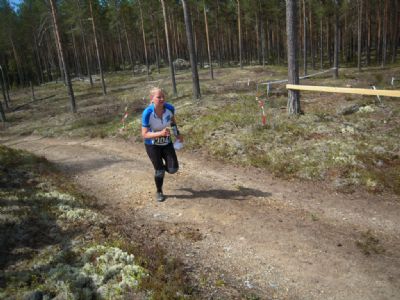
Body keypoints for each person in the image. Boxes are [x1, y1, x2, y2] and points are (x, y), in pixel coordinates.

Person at [141, 87, 183, 202]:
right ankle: (159, 191)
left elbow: (173, 122)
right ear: (152, 99)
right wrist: (160, 133)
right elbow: (144, 134)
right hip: (152, 145)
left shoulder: (170, 108)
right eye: (158, 97)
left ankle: (160, 169)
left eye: (163, 96)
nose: (162, 99)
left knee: (173, 169)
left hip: (166, 143)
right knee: (159, 171)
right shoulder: (147, 113)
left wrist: (177, 134)